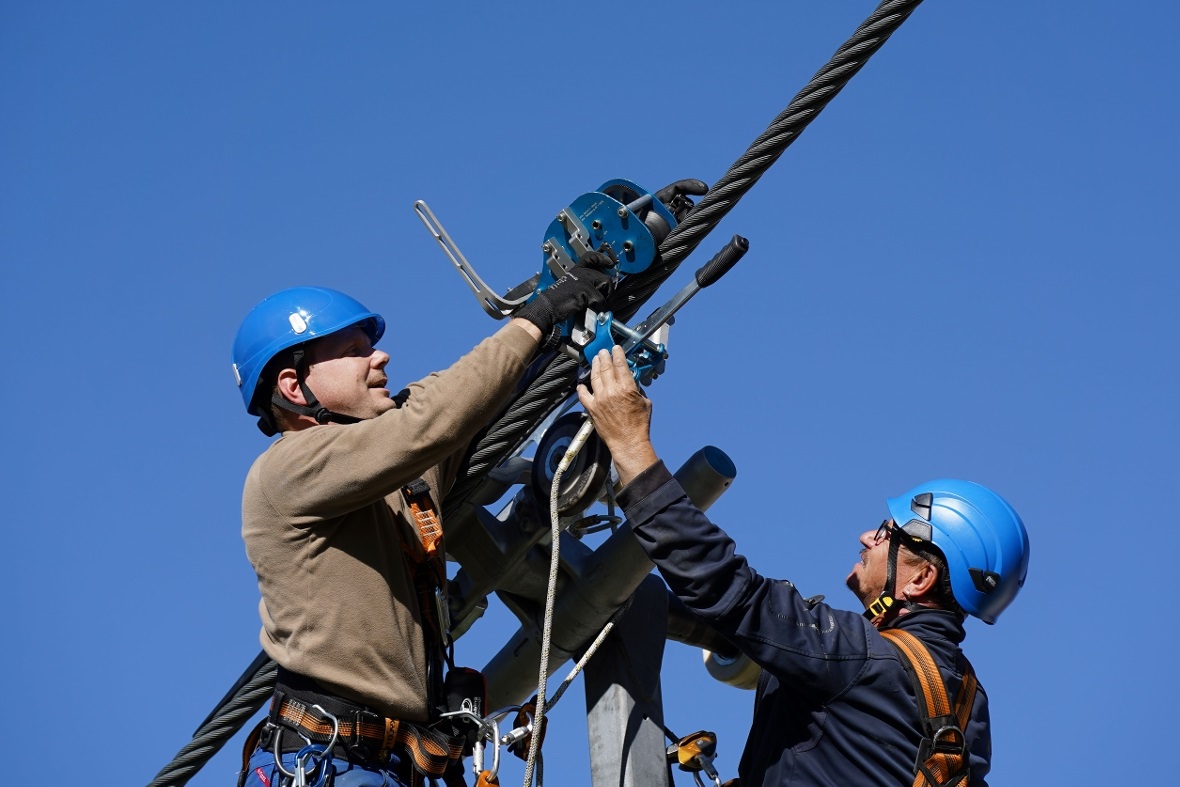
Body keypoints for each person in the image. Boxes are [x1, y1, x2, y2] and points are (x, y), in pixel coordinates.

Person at [229, 255, 614, 787]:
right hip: (326, 761)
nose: (380, 357)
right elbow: (431, 421)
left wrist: (584, 293)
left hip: (395, 764)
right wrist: (536, 316)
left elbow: (467, 397)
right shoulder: (286, 469)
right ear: (295, 388)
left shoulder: (397, 466)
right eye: (354, 352)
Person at [577, 346, 1030, 786]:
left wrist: (630, 444)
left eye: (886, 533)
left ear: (921, 579)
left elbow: (728, 587)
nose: (867, 538)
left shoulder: (867, 659)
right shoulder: (968, 709)